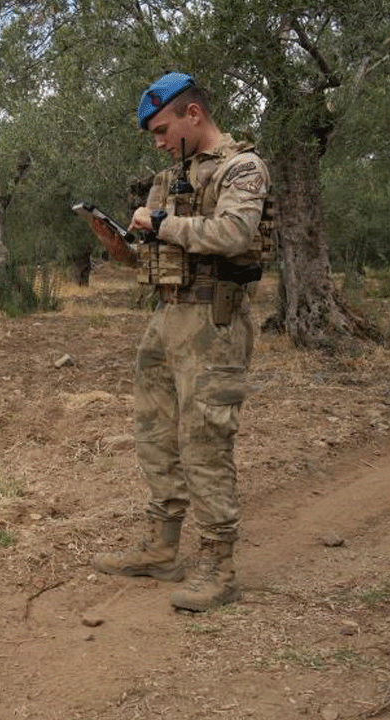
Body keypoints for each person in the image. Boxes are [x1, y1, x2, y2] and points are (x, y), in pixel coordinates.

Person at [87, 72, 271, 612]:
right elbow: (151, 254)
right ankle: (163, 548)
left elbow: (233, 234)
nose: (161, 142)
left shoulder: (243, 168)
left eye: (164, 130)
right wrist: (119, 245)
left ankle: (218, 563)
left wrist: (161, 223)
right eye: (153, 135)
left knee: (206, 440)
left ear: (194, 115)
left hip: (213, 322)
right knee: (155, 434)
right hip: (166, 318)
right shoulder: (170, 179)